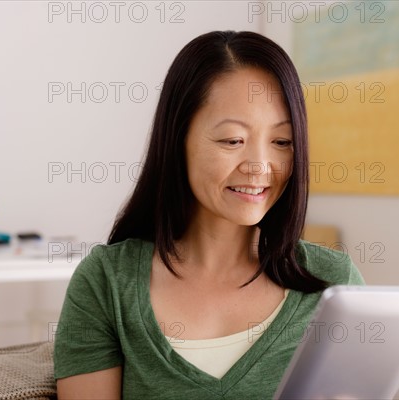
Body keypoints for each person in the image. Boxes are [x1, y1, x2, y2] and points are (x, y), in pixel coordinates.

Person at [53, 30, 364, 399]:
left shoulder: (334, 284)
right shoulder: (106, 283)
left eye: (282, 142)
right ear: (178, 139)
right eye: (233, 140)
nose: (260, 167)